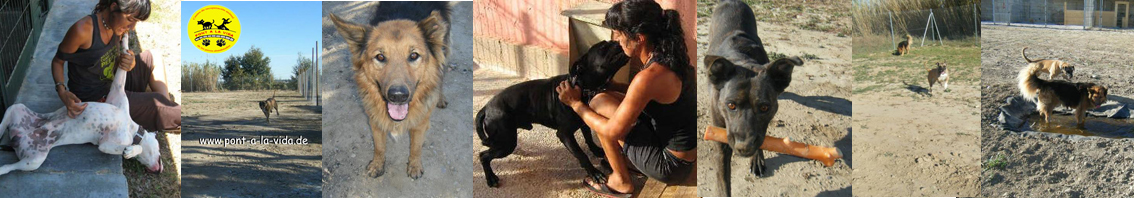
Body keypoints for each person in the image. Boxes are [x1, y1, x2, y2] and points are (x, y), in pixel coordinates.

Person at [555, 0, 696, 197]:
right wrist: (613, 86)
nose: (616, 39)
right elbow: (648, 97)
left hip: (671, 166)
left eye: (619, 34)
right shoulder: (672, 57)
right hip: (682, 153)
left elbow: (612, 131)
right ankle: (628, 161)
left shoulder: (648, 77)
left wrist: (575, 103)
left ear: (639, 38)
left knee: (597, 104)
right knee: (607, 97)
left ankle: (620, 181)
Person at [52, 0, 180, 131]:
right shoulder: (82, 30)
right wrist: (62, 91)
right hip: (98, 100)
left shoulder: (115, 25)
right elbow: (57, 61)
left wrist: (129, 62)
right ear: (114, 7)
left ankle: (165, 112)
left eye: (136, 21)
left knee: (154, 56)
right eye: (130, 19)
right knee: (157, 102)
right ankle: (165, 114)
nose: (132, 27)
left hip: (115, 82)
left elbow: (107, 58)